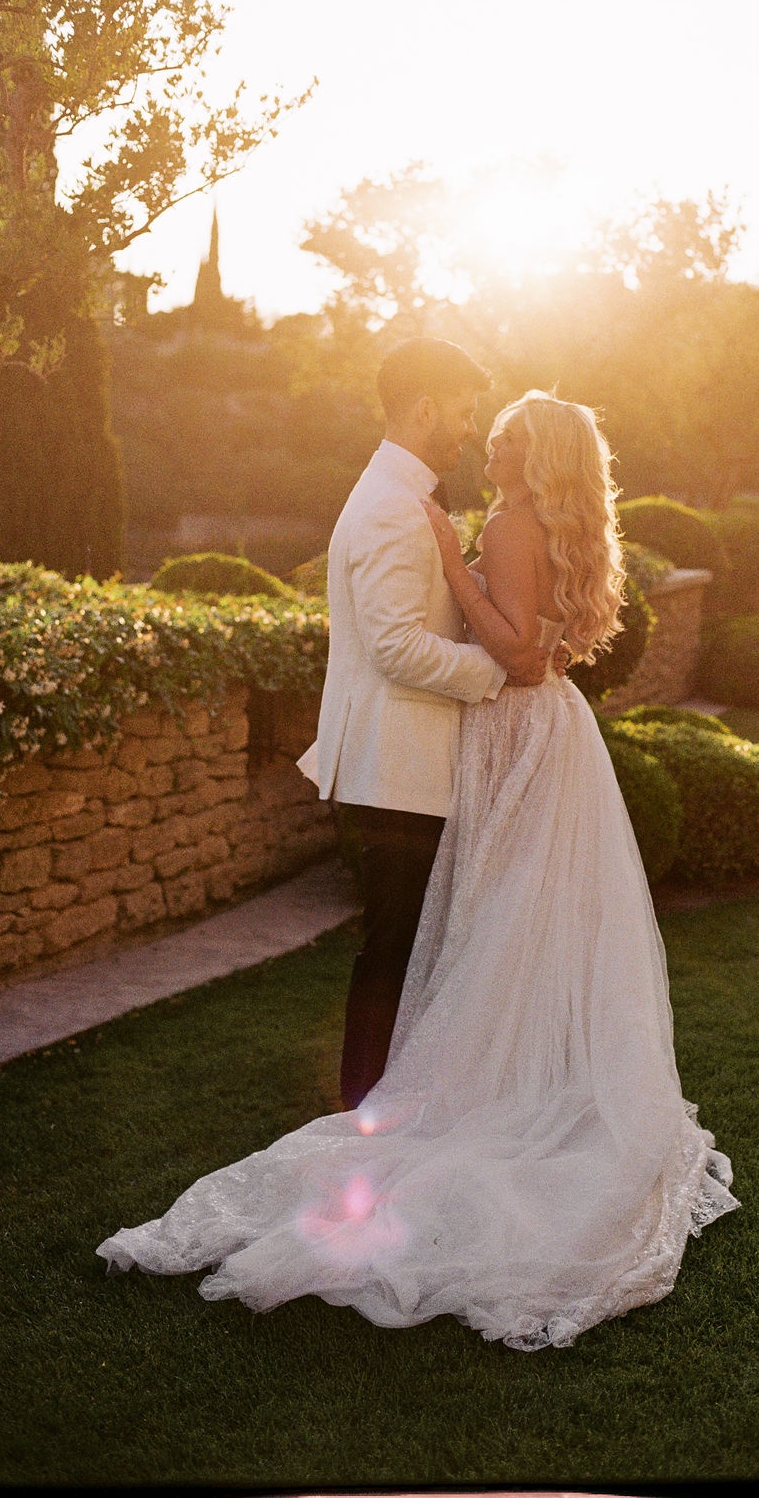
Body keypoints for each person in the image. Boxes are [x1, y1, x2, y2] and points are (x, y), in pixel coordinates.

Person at [97, 389, 738, 1351]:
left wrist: (451, 557)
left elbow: (517, 657)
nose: (492, 448)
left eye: (509, 440)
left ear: (538, 456)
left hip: (519, 727)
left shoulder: (515, 522)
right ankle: (514, 1077)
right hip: (558, 737)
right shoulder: (556, 526)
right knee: (522, 921)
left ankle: (466, 1097)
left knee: (498, 917)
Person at [295, 337, 557, 1110]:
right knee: (393, 953)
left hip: (405, 764)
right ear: (424, 406)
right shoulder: (389, 507)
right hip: (395, 766)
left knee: (408, 950)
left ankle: (386, 1105)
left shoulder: (406, 495)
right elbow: (394, 646)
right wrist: (498, 671)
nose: (470, 428)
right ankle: (363, 1113)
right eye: (466, 411)